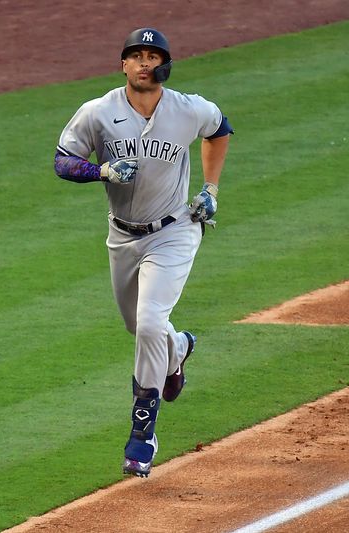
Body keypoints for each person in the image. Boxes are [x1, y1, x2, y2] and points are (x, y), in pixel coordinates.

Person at [54, 27, 233, 478]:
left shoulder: (188, 109)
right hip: (122, 237)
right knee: (143, 330)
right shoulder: (98, 112)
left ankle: (143, 435)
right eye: (136, 56)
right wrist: (101, 170)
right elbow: (62, 159)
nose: (144, 63)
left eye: (153, 56)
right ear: (123, 65)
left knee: (150, 322)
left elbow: (220, 128)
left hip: (175, 230)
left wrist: (210, 188)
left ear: (165, 65)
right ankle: (179, 349)